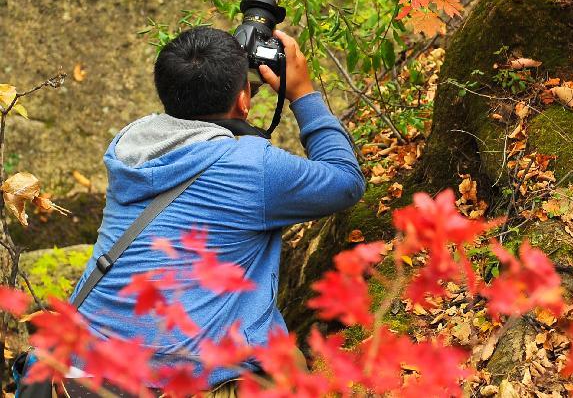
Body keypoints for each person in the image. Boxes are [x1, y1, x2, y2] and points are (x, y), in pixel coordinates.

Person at [69, 26, 366, 394]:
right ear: (244, 100)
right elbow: (346, 180)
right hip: (170, 384)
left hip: (74, 371)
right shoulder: (250, 167)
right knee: (291, 368)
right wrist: (302, 93)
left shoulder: (131, 144)